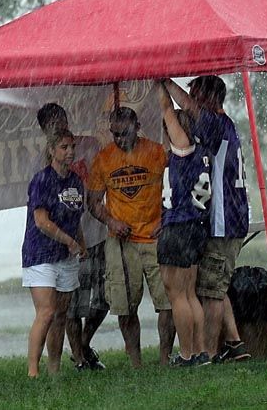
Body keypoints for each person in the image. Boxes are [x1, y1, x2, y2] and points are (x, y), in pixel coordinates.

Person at [162, 76, 251, 363]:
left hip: (225, 221)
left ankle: (210, 352)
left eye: (196, 94)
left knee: (210, 292)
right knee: (215, 285)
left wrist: (164, 81)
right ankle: (234, 342)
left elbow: (186, 106)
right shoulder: (225, 126)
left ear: (206, 97)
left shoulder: (215, 123)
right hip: (228, 219)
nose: (191, 101)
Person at [87, 106, 174, 368]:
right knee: (125, 306)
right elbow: (92, 202)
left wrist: (166, 217)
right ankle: (136, 363)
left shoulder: (157, 152)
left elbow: (180, 184)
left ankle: (164, 359)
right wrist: (112, 220)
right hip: (121, 242)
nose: (119, 140)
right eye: (115, 134)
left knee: (168, 302)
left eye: (124, 133)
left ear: (137, 127)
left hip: (155, 237)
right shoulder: (104, 159)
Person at [36, 103, 109, 371]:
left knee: (105, 298)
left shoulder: (88, 144)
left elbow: (102, 180)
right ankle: (79, 357)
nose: (58, 126)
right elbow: (41, 209)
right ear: (44, 130)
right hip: (66, 242)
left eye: (61, 120)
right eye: (52, 124)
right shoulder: (43, 161)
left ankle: (85, 344)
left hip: (97, 230)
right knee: (71, 305)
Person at [21, 128, 87, 378]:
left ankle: (54, 369)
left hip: (66, 256)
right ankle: (33, 371)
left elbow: (75, 217)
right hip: (40, 254)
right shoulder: (41, 180)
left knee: (61, 315)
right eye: (64, 147)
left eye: (72, 147)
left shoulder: (76, 181)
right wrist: (68, 240)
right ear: (51, 150)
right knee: (46, 312)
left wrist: (81, 242)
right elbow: (41, 221)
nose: (70, 152)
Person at [155, 81, 212, 366]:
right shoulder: (201, 149)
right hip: (194, 226)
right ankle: (200, 350)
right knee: (189, 293)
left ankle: (188, 353)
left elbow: (167, 108)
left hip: (178, 225)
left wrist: (159, 79)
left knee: (176, 294)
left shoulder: (183, 147)